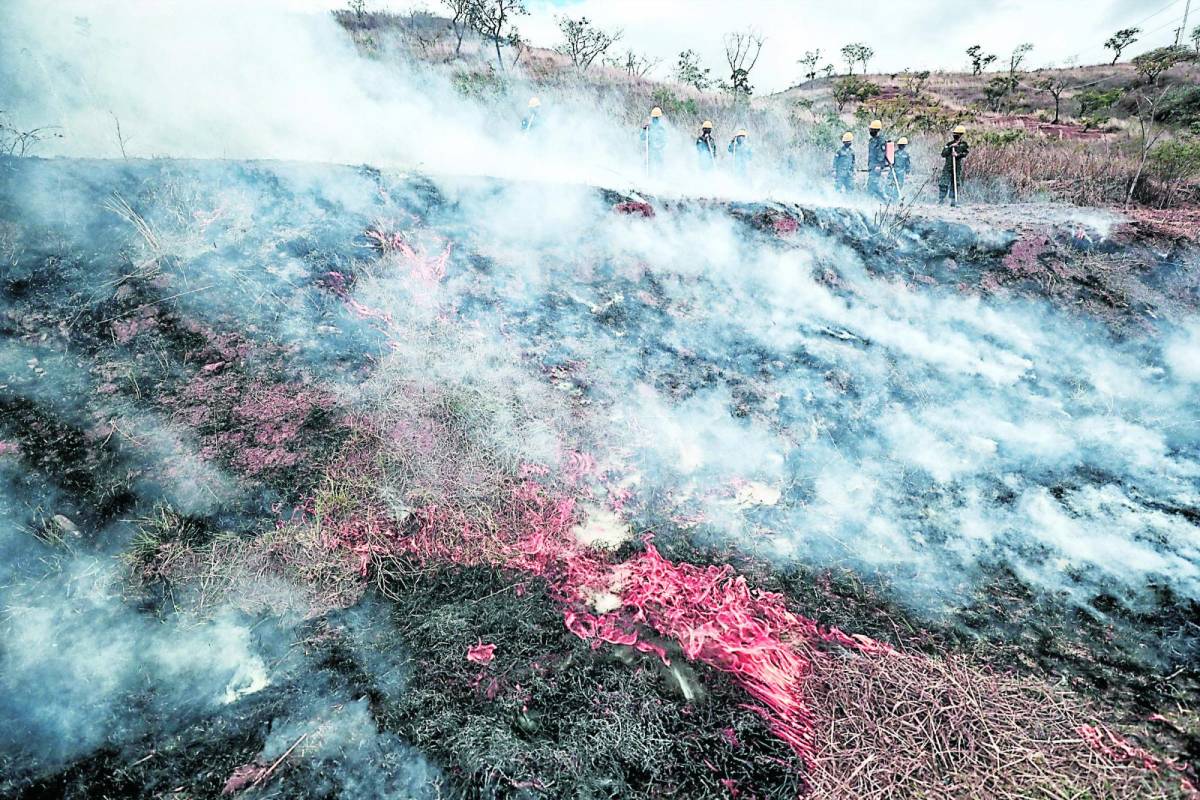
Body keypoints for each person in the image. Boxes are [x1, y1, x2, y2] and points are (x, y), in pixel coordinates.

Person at [939, 124, 969, 206]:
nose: (956, 135)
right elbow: (943, 154)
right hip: (948, 166)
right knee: (944, 182)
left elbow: (965, 153)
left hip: (957, 167)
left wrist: (957, 155)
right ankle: (941, 200)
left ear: (961, 135)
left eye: (958, 134)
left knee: (955, 183)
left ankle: (953, 200)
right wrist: (950, 148)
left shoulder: (964, 145)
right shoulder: (949, 144)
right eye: (955, 133)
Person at [639, 106, 668, 175]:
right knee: (648, 166)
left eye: (656, 118)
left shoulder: (662, 129)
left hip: (658, 152)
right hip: (650, 152)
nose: (655, 119)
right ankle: (648, 178)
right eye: (654, 118)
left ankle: (660, 179)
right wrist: (644, 130)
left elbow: (664, 141)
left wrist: (658, 147)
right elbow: (642, 138)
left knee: (659, 167)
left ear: (659, 118)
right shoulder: (649, 127)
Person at [866, 119, 888, 200]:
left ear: (877, 130)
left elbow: (881, 154)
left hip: (877, 166)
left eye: (872, 129)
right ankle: (882, 200)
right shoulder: (872, 140)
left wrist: (878, 165)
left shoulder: (881, 140)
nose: (870, 131)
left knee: (872, 184)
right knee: (872, 185)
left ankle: (886, 199)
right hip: (872, 165)